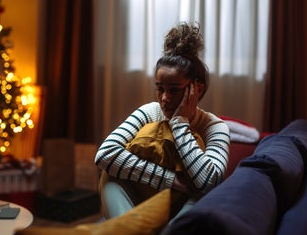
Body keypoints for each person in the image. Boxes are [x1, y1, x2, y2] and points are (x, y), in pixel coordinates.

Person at [94, 22, 230, 223]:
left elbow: (209, 182)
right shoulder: (150, 112)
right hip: (140, 206)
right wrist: (170, 180)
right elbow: (105, 154)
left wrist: (180, 123)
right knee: (109, 177)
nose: (164, 98)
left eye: (174, 90)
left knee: (202, 192)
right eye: (160, 88)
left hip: (180, 212)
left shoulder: (215, 127)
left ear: (197, 89)